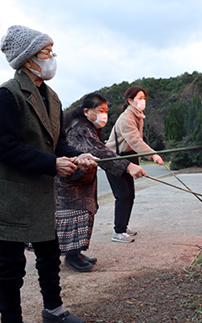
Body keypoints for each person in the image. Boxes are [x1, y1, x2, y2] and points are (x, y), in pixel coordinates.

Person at [0, 25, 96, 323]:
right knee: (10, 265)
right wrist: (52, 164)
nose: (52, 57)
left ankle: (53, 310)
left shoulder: (51, 97)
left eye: (52, 51)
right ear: (28, 58)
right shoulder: (6, 96)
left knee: (50, 254)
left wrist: (76, 156)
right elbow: (4, 148)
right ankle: (11, 319)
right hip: (11, 195)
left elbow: (57, 143)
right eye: (46, 52)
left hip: (39, 194)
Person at [55, 92, 147, 272]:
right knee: (73, 218)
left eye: (106, 110)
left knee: (83, 216)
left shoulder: (89, 126)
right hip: (70, 183)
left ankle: (76, 253)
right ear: (87, 111)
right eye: (101, 110)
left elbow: (99, 150)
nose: (105, 114)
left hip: (82, 182)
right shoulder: (79, 127)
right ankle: (71, 256)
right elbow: (98, 151)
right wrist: (128, 166)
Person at [105, 86, 164, 243]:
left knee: (130, 194)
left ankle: (123, 226)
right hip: (114, 159)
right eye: (139, 98)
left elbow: (135, 144)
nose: (143, 101)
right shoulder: (126, 118)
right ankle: (118, 232)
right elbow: (135, 141)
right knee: (122, 195)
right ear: (130, 100)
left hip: (128, 157)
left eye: (144, 98)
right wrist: (153, 155)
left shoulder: (137, 115)